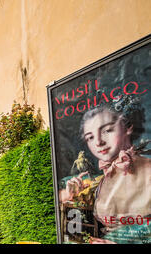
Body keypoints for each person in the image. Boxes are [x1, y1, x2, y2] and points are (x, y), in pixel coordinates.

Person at [60, 103, 151, 244]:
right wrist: (69, 195)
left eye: (107, 130)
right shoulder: (100, 180)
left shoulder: (147, 170)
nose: (98, 142)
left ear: (128, 127)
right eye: (90, 137)